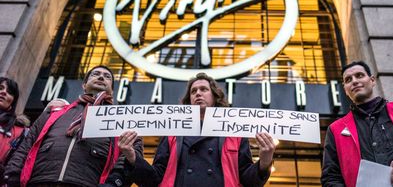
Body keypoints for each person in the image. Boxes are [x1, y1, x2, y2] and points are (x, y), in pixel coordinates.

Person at [118, 72, 276, 187]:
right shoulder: (172, 133)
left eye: (203, 89)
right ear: (189, 100)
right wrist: (133, 157)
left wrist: (265, 161)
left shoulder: (234, 133)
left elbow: (248, 181)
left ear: (215, 96)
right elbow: (154, 179)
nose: (198, 93)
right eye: (193, 91)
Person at [4, 65, 142, 187]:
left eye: (107, 77)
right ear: (84, 85)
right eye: (95, 74)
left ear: (112, 90)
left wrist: (113, 184)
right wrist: (12, 177)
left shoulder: (122, 120)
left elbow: (130, 158)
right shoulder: (54, 112)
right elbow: (25, 147)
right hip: (39, 181)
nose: (101, 77)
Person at [321, 61, 393, 187]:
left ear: (372, 80)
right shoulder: (335, 130)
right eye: (348, 79)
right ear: (345, 90)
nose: (354, 81)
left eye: (359, 75)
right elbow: (330, 177)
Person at [0, 77, 30, 185]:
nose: (3, 92)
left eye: (9, 92)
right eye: (1, 88)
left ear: (13, 101)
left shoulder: (21, 132)